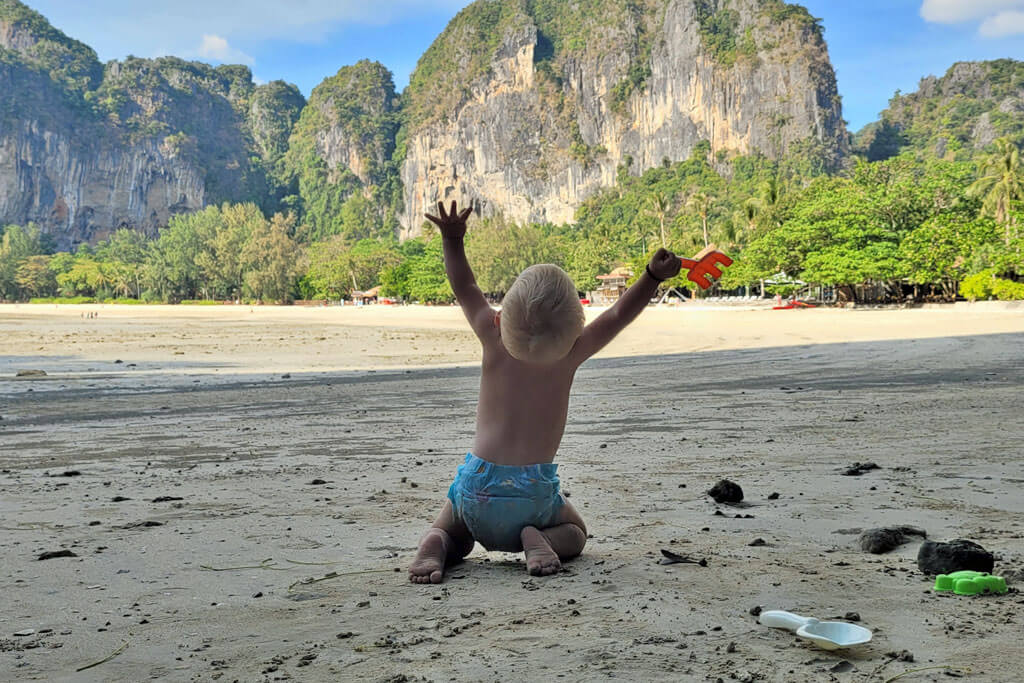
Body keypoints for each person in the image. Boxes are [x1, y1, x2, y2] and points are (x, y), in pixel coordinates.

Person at [408, 200, 684, 584]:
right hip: (531, 495)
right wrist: (652, 276)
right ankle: (537, 539)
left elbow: (465, 285)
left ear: (502, 318)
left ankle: (437, 540)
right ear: (575, 330)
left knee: (454, 526)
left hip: (476, 485)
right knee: (576, 534)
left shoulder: (492, 335)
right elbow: (619, 314)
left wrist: (453, 239)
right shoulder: (573, 352)